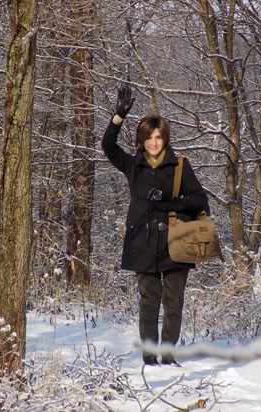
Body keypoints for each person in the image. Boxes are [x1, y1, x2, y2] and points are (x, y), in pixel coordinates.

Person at [102, 84, 209, 366]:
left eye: (158, 137)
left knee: (173, 304)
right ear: (141, 139)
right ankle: (149, 359)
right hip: (142, 244)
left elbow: (200, 200)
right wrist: (118, 117)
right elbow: (107, 147)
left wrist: (169, 203)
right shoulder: (132, 165)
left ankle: (168, 356)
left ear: (165, 139)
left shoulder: (180, 166)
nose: (153, 142)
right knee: (149, 304)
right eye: (148, 137)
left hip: (175, 245)